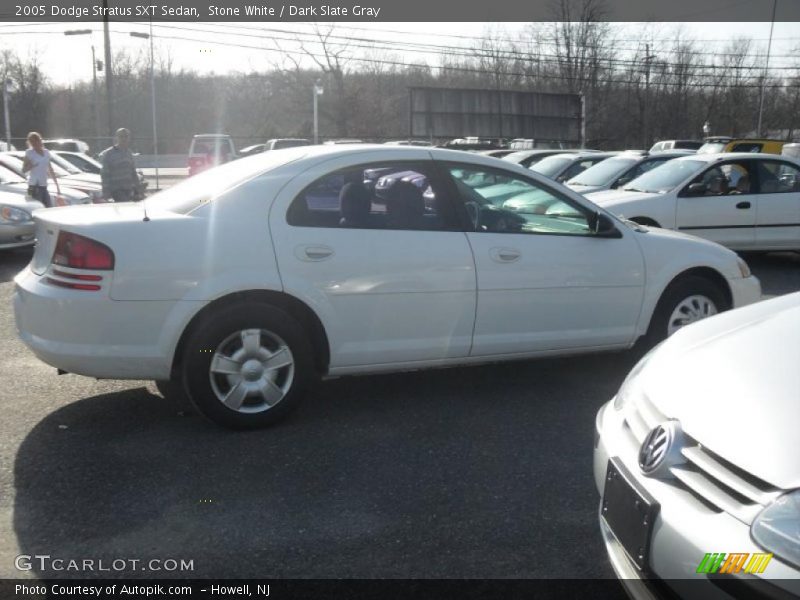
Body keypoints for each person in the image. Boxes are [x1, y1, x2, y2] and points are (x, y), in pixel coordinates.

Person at [21, 132, 61, 207]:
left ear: (40, 140)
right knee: (36, 208)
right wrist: (31, 166)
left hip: (43, 185)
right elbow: (23, 170)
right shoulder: (29, 153)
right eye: (32, 142)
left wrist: (57, 186)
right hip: (33, 186)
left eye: (36, 140)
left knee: (48, 207)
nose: (35, 143)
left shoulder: (46, 152)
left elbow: (50, 169)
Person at [101, 128, 140, 202]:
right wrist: (106, 192)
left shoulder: (129, 153)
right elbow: (105, 174)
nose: (123, 139)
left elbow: (133, 172)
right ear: (117, 138)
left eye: (126, 136)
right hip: (116, 190)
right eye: (121, 136)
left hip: (128, 189)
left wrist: (137, 189)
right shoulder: (109, 153)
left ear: (129, 138)